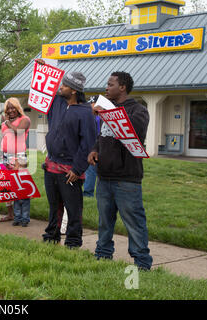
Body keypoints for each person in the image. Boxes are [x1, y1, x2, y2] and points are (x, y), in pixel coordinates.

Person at [88, 71, 153, 270]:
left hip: (127, 179)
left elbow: (135, 132)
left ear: (122, 87)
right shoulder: (107, 110)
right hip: (104, 177)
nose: (106, 87)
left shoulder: (138, 110)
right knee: (104, 222)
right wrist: (95, 150)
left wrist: (108, 114)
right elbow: (102, 137)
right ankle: (103, 255)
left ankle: (142, 263)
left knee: (134, 224)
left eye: (110, 84)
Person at [39, 60, 97, 248]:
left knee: (73, 207)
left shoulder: (85, 112)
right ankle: (52, 235)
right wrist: (43, 68)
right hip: (51, 164)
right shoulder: (56, 102)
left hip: (70, 168)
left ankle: (73, 240)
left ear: (73, 90)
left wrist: (78, 168)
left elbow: (87, 142)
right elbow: (44, 87)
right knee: (54, 205)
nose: (60, 87)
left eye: (64, 85)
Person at [0, 97, 31, 223]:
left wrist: (7, 123)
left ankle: (24, 217)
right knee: (9, 186)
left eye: (13, 107)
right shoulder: (4, 123)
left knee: (21, 186)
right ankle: (13, 215)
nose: (11, 110)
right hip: (6, 155)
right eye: (8, 108)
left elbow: (19, 132)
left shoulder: (25, 119)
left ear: (18, 108)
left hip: (19, 156)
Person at [83, 109, 101, 197]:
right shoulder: (98, 117)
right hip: (98, 146)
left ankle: (88, 193)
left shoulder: (96, 118)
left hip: (95, 147)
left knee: (91, 170)